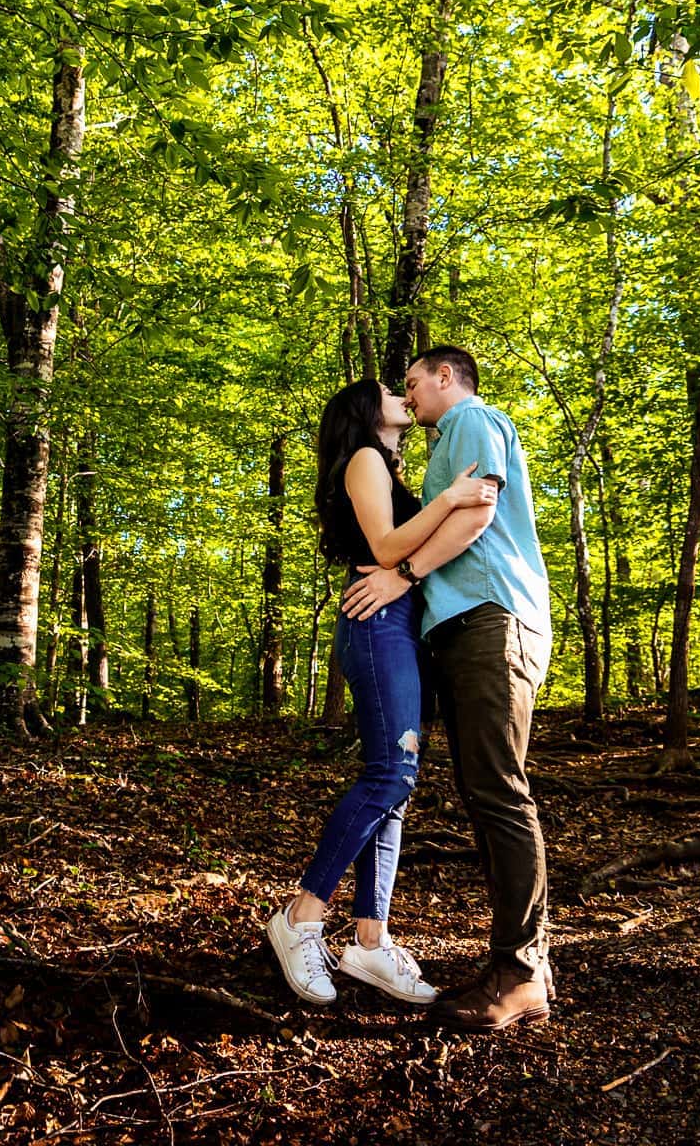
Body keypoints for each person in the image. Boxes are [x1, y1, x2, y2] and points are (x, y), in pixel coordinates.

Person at [263, 376, 500, 1008]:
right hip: (379, 624)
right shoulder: (364, 457)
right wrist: (452, 497)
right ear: (366, 411)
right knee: (387, 776)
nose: (404, 395)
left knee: (399, 788)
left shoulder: (387, 467)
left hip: (405, 624)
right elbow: (388, 547)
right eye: (392, 391)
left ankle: (370, 942)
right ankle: (301, 917)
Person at [341, 345, 553, 1032]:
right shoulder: (442, 446)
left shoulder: (469, 418)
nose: (410, 397)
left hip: (492, 618)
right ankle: (522, 967)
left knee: (498, 789)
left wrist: (403, 577)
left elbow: (477, 513)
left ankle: (520, 973)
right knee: (485, 792)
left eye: (413, 384)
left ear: (444, 378)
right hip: (468, 627)